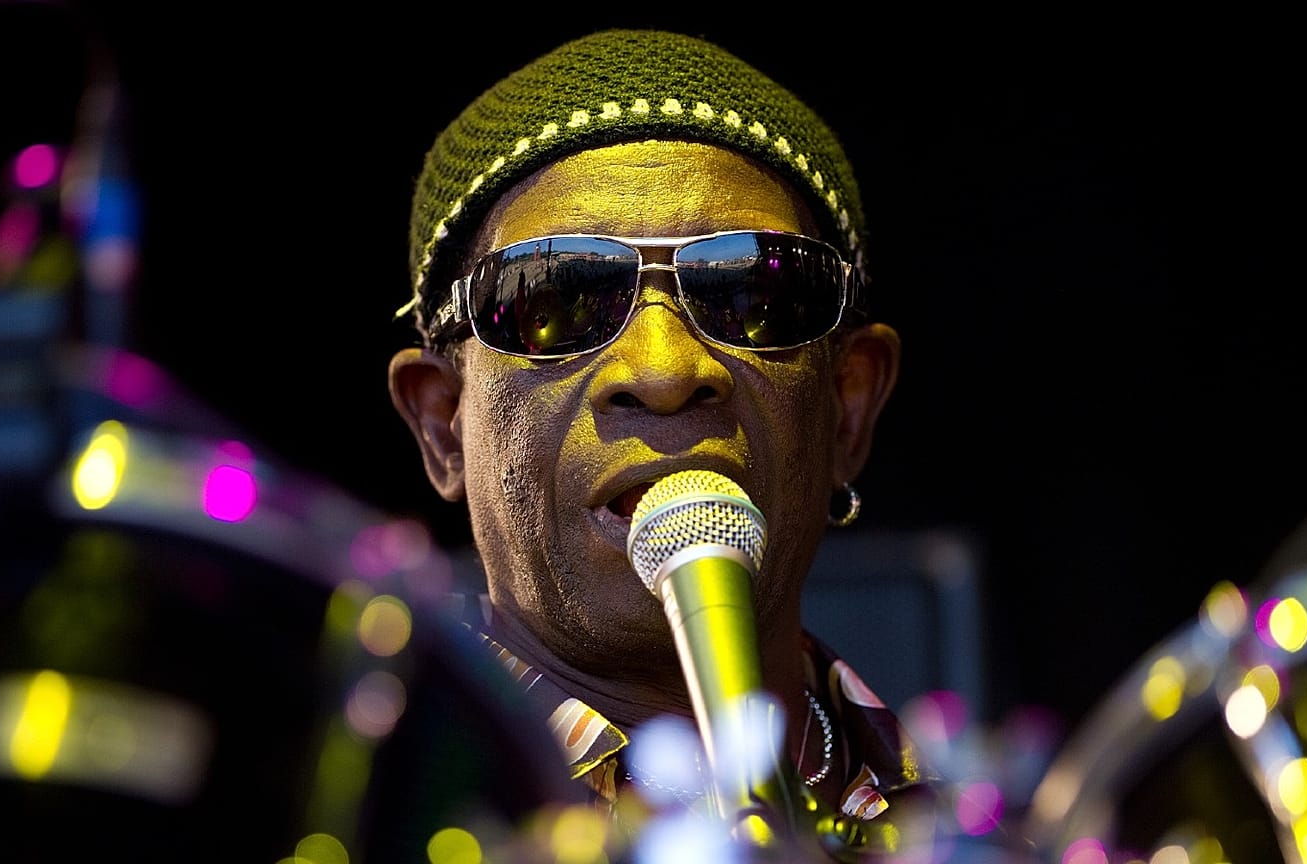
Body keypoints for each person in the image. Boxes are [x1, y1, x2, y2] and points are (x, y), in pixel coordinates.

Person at [384, 28, 940, 862]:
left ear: (848, 407)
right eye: (558, 298)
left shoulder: (973, 831)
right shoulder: (352, 808)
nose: (664, 369)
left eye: (752, 292)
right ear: (443, 426)